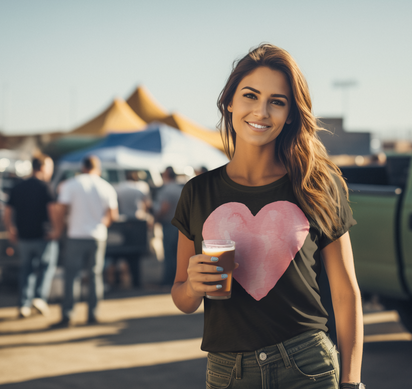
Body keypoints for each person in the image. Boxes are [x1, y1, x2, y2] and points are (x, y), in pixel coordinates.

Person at [171, 44, 364, 389]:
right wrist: (193, 285)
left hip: (309, 366)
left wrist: (351, 382)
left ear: (290, 114)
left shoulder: (318, 186)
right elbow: (182, 299)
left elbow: (345, 293)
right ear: (229, 102)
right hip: (228, 372)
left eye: (277, 101)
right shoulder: (197, 193)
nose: (261, 111)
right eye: (250, 96)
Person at [52, 155, 118, 327]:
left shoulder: (71, 184)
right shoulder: (106, 186)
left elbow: (61, 209)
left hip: (75, 234)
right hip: (97, 236)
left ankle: (67, 315)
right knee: (95, 275)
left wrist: (60, 229)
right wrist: (101, 224)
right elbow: (113, 214)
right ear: (98, 168)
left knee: (71, 275)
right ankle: (93, 314)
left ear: (82, 167)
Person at [3, 155, 59, 318]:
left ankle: (24, 304)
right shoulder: (46, 187)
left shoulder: (19, 186)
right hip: (43, 235)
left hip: (23, 236)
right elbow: (52, 211)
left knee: (26, 270)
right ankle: (39, 298)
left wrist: (10, 229)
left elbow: (8, 212)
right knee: (46, 268)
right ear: (42, 167)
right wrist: (56, 229)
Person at [109, 170, 151, 288]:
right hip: (137, 223)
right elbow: (147, 204)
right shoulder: (140, 188)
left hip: (121, 223)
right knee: (135, 256)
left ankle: (116, 282)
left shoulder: (118, 188)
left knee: (115, 255)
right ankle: (136, 282)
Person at [153, 166, 182, 286]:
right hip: (181, 225)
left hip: (169, 224)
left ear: (166, 175)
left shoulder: (166, 190)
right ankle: (179, 278)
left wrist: (156, 218)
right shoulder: (181, 188)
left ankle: (169, 280)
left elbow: (164, 207)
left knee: (169, 254)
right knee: (179, 254)